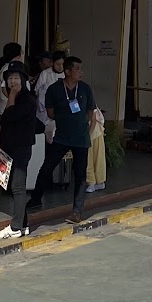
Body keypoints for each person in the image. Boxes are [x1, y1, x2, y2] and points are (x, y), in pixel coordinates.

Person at [27, 55, 95, 221]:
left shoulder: (85, 89)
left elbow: (90, 112)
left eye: (81, 68)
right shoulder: (54, 89)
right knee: (47, 167)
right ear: (67, 71)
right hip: (62, 136)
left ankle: (77, 211)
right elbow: (50, 112)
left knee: (79, 175)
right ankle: (36, 198)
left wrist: (88, 131)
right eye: (77, 69)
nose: (81, 72)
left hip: (81, 138)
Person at [0, 62, 42, 241]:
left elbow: (10, 116)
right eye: (9, 78)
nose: (12, 81)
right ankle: (24, 225)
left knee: (18, 188)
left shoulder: (27, 99)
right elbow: (4, 121)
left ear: (23, 80)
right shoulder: (15, 99)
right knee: (15, 187)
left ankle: (15, 227)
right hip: (11, 147)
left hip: (21, 147)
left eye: (16, 77)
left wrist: (12, 95)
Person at [0, 41, 23, 115]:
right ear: (17, 55)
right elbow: (4, 88)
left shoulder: (6, 67)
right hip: (8, 108)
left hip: (7, 107)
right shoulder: (9, 69)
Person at [87, 103, 107, 193]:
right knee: (88, 159)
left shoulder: (88, 101)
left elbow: (93, 120)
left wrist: (88, 136)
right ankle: (91, 182)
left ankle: (99, 182)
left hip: (95, 132)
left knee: (98, 159)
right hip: (87, 133)